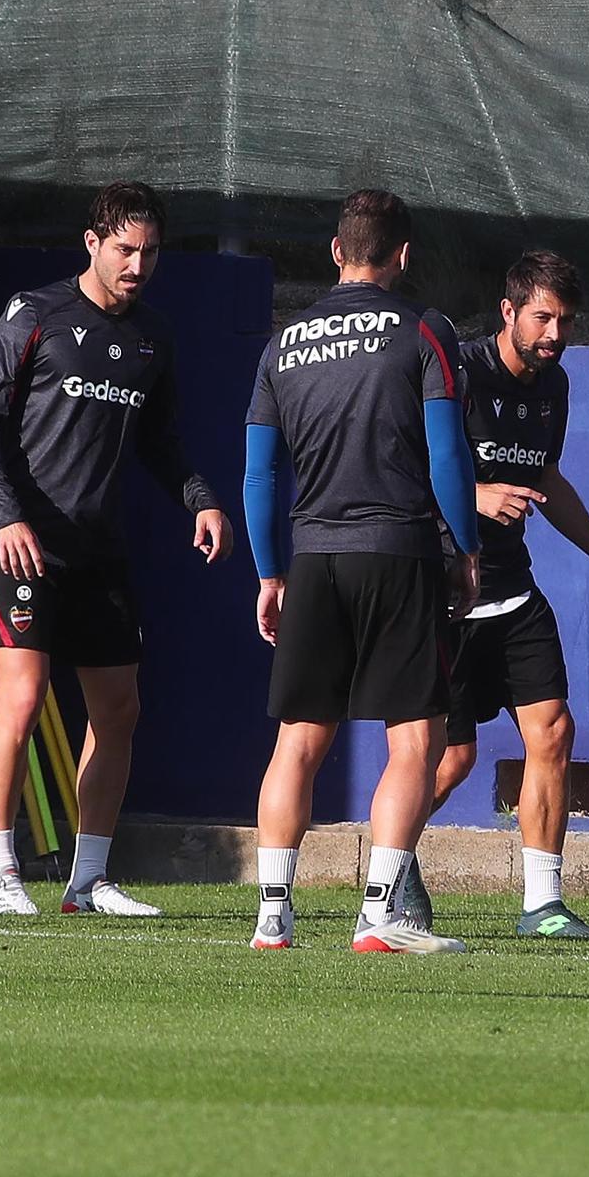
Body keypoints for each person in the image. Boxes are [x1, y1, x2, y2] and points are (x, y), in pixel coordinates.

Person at [0, 181, 232, 918]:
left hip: (98, 552)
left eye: (148, 251)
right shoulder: (34, 314)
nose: (136, 264)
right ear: (92, 243)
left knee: (119, 709)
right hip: (18, 547)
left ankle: (87, 880)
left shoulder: (153, 338)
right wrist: (9, 517)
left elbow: (160, 443)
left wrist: (202, 497)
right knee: (20, 701)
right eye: (123, 249)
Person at [241, 189, 481, 953]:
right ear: (403, 256)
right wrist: (467, 549)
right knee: (414, 741)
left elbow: (258, 475)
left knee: (297, 741)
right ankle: (378, 913)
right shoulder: (424, 331)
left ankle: (272, 914)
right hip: (400, 552)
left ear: (336, 250)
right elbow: (447, 455)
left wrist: (270, 572)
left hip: (313, 557)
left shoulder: (283, 345)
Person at [421, 250, 589, 939]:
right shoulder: (457, 373)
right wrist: (473, 494)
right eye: (542, 316)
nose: (555, 332)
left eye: (564, 319)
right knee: (449, 759)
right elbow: (403, 468)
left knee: (554, 729)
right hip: (444, 588)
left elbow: (548, 482)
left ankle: (543, 903)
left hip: (513, 588)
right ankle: (393, 864)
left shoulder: (553, 385)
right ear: (509, 311)